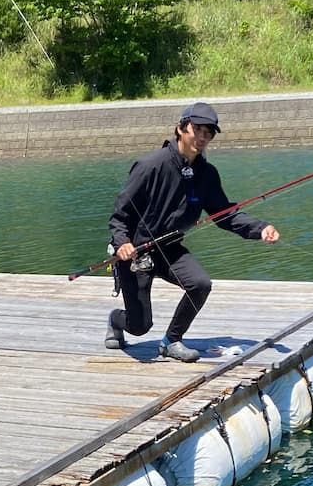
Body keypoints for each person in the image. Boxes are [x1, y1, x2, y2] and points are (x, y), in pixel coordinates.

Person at [104, 101, 280, 363]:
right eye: (196, 129)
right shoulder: (150, 165)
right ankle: (116, 320)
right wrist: (122, 243)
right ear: (181, 128)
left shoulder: (206, 174)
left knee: (200, 284)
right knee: (140, 326)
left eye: (208, 133)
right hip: (135, 253)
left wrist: (260, 228)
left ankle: (172, 341)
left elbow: (225, 215)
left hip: (170, 249)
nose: (202, 137)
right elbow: (120, 215)